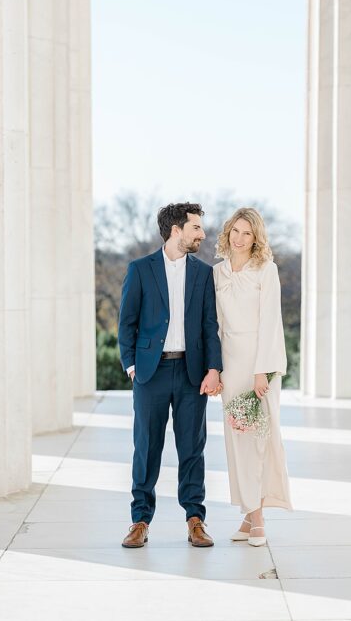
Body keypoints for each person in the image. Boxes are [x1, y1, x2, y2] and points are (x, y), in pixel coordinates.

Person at [118, 202, 223, 549]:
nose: (202, 234)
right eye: (196, 227)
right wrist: (132, 366)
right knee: (146, 447)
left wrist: (213, 368)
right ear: (176, 229)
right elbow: (127, 323)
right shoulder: (140, 269)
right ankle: (140, 520)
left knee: (192, 447)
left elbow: (210, 326)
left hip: (192, 373)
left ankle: (195, 519)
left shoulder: (203, 272)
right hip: (152, 372)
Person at [213, 207, 292, 547]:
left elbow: (271, 323)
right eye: (235, 231)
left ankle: (258, 517)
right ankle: (248, 515)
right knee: (237, 441)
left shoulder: (266, 271)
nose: (240, 238)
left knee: (259, 440)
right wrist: (215, 369)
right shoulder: (217, 273)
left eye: (247, 233)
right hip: (231, 364)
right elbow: (213, 325)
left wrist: (263, 371)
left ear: (256, 237)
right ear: (228, 232)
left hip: (260, 365)